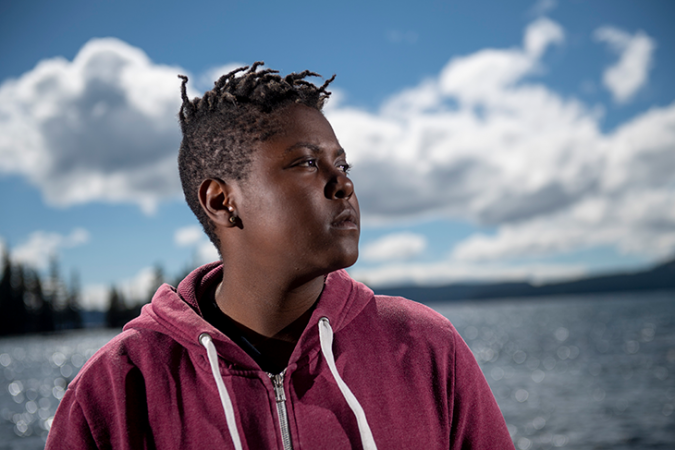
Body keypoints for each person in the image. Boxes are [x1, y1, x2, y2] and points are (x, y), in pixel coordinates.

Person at [45, 63, 515, 450]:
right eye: (307, 162)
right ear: (222, 201)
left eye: (342, 164)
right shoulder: (118, 390)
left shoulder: (427, 349)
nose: (343, 184)